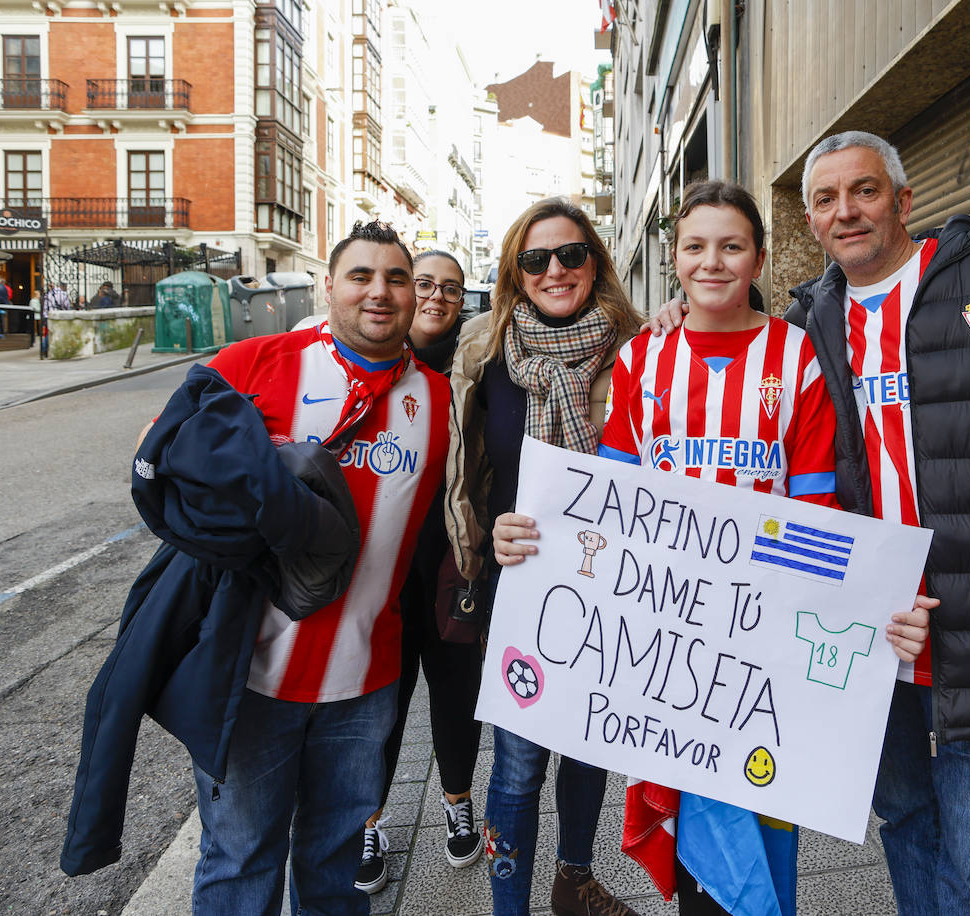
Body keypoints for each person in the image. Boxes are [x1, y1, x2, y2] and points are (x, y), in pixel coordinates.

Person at [652, 132, 970, 916]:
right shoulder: (807, 325)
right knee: (906, 820)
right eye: (824, 199)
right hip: (868, 635)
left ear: (903, 200)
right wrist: (681, 317)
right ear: (811, 223)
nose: (844, 211)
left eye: (862, 191)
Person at [499, 180, 844, 915]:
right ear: (675, 260)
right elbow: (612, 501)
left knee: (763, 813)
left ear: (758, 258)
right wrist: (529, 537)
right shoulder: (644, 359)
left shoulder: (797, 355)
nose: (712, 262)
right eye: (695, 246)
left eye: (731, 246)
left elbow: (818, 505)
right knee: (690, 824)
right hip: (668, 643)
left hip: (760, 642)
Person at [187, 220, 451, 914]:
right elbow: (162, 462)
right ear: (327, 286)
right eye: (361, 275)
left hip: (364, 687)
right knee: (240, 864)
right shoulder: (254, 361)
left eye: (397, 277)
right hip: (250, 680)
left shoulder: (441, 402)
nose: (381, 291)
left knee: (335, 869)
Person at [445, 197, 643, 916]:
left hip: (607, 586)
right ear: (514, 271)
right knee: (521, 764)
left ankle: (575, 877)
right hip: (520, 587)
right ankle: (509, 907)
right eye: (536, 259)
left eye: (570, 254)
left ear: (596, 261)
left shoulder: (641, 349)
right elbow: (469, 473)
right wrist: (485, 532)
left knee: (589, 743)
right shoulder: (483, 351)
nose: (554, 270)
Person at [353, 249, 485, 894]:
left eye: (452, 290)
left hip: (453, 566)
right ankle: (367, 820)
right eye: (424, 283)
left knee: (458, 693)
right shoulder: (372, 353)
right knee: (382, 699)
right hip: (382, 572)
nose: (436, 297)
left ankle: (458, 803)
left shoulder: (478, 359)